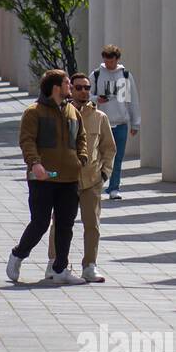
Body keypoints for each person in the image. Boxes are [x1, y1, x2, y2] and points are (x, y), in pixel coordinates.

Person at [7, 69, 88, 286]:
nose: (70, 86)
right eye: (67, 82)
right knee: (40, 222)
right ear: (55, 86)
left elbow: (81, 137)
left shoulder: (72, 111)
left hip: (69, 178)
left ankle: (60, 268)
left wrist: (82, 158)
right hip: (42, 178)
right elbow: (27, 141)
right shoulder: (34, 112)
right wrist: (35, 163)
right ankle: (18, 255)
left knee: (65, 225)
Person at [46, 72, 116, 283]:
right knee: (59, 223)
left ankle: (90, 265)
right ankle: (54, 263)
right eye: (79, 87)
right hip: (65, 179)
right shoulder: (60, 114)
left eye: (87, 88)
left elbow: (109, 148)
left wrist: (105, 174)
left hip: (92, 180)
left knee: (92, 224)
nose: (84, 91)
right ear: (70, 90)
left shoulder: (99, 117)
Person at [91, 44, 140, 200]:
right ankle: (96, 185)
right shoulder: (97, 74)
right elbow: (86, 93)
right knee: (98, 156)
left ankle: (114, 188)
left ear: (117, 59)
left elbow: (132, 100)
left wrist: (135, 123)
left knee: (117, 157)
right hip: (101, 122)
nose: (108, 64)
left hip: (120, 123)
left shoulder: (125, 75)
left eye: (111, 61)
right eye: (106, 61)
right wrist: (96, 99)